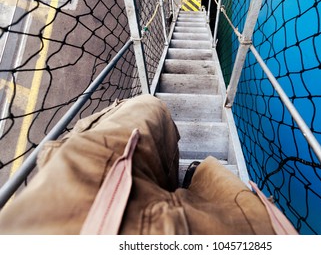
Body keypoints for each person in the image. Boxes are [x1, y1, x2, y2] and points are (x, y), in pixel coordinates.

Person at [0, 95, 297, 235]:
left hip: (74, 216)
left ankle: (189, 179)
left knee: (149, 110)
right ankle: (194, 179)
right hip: (87, 200)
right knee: (150, 109)